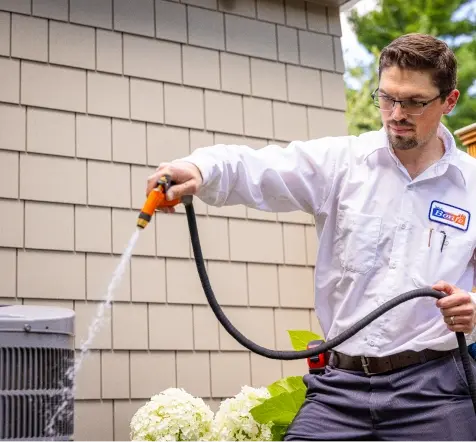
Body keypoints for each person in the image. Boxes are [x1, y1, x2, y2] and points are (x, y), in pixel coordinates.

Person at [147, 33, 476, 440]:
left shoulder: (472, 186)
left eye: (413, 101)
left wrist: (473, 307)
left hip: (435, 391)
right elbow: (262, 167)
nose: (395, 113)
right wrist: (199, 170)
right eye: (387, 97)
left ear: (448, 100)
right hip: (341, 387)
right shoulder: (342, 163)